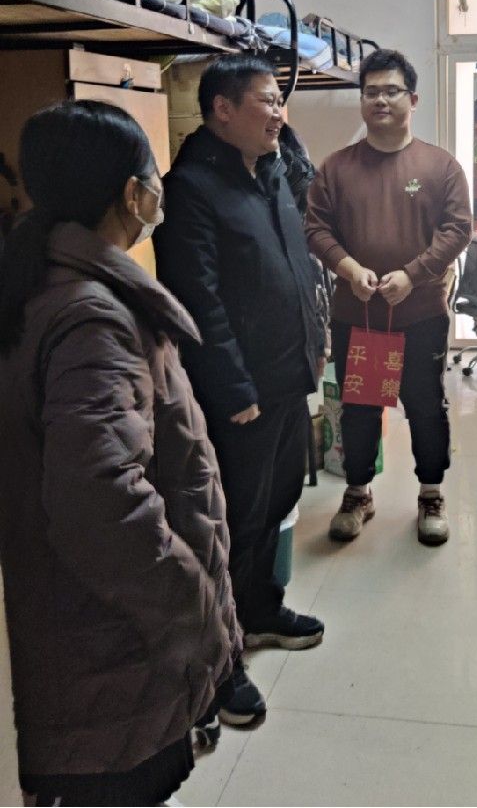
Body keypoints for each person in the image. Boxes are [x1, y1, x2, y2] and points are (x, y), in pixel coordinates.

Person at [0, 100, 240, 806]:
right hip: (115, 645)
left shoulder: (42, 281)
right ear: (134, 194)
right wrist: (194, 607)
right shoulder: (93, 316)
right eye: (154, 178)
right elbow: (99, 500)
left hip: (89, 630)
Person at [154, 54, 328, 730]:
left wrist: (314, 347)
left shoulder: (271, 174)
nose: (279, 113)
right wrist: (232, 386)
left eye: (280, 100)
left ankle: (259, 609)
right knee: (229, 522)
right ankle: (219, 659)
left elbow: (295, 270)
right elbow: (197, 299)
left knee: (276, 503)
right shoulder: (192, 190)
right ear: (222, 110)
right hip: (242, 392)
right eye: (265, 100)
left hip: (287, 378)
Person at [305, 49, 472, 546]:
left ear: (412, 99)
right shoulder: (336, 168)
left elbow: (458, 228)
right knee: (359, 407)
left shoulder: (440, 166)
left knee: (425, 407)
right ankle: (358, 493)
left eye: (391, 91)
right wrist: (348, 267)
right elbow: (315, 228)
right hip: (358, 317)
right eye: (370, 91)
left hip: (420, 316)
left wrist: (413, 275)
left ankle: (431, 493)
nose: (380, 100)